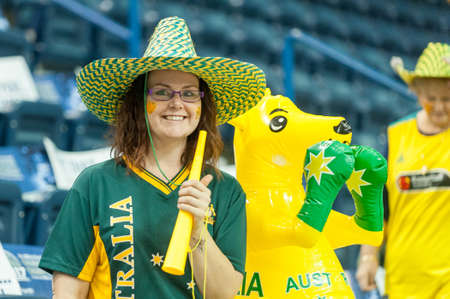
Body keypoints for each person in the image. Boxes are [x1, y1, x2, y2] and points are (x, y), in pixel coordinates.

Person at [39, 16, 266, 298]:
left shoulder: (225, 191)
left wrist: (198, 230)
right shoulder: (95, 183)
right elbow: (67, 292)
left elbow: (223, 294)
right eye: (161, 92)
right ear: (138, 104)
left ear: (201, 106)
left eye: (189, 94)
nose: (177, 103)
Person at [356, 42, 450, 298]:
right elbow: (379, 204)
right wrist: (368, 255)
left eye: (448, 99)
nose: (440, 107)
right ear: (416, 92)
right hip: (403, 277)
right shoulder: (396, 135)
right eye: (432, 99)